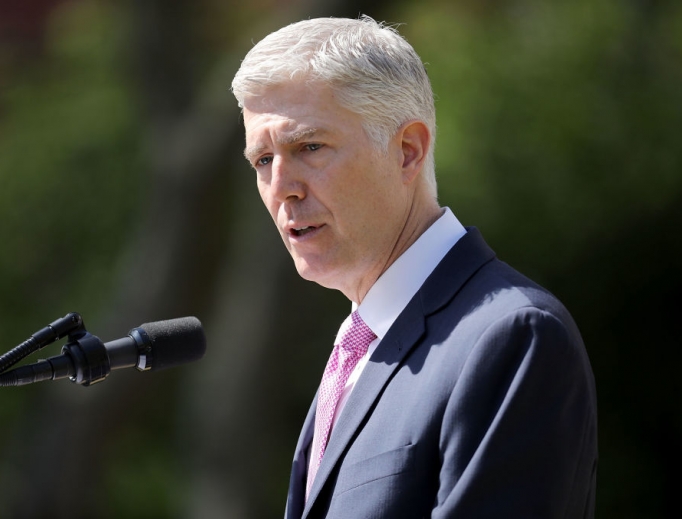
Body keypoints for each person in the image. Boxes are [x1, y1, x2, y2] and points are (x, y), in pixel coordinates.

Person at [231, 16, 597, 519]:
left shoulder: (511, 336)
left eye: (309, 148)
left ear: (407, 151)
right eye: (263, 161)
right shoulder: (357, 345)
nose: (282, 188)